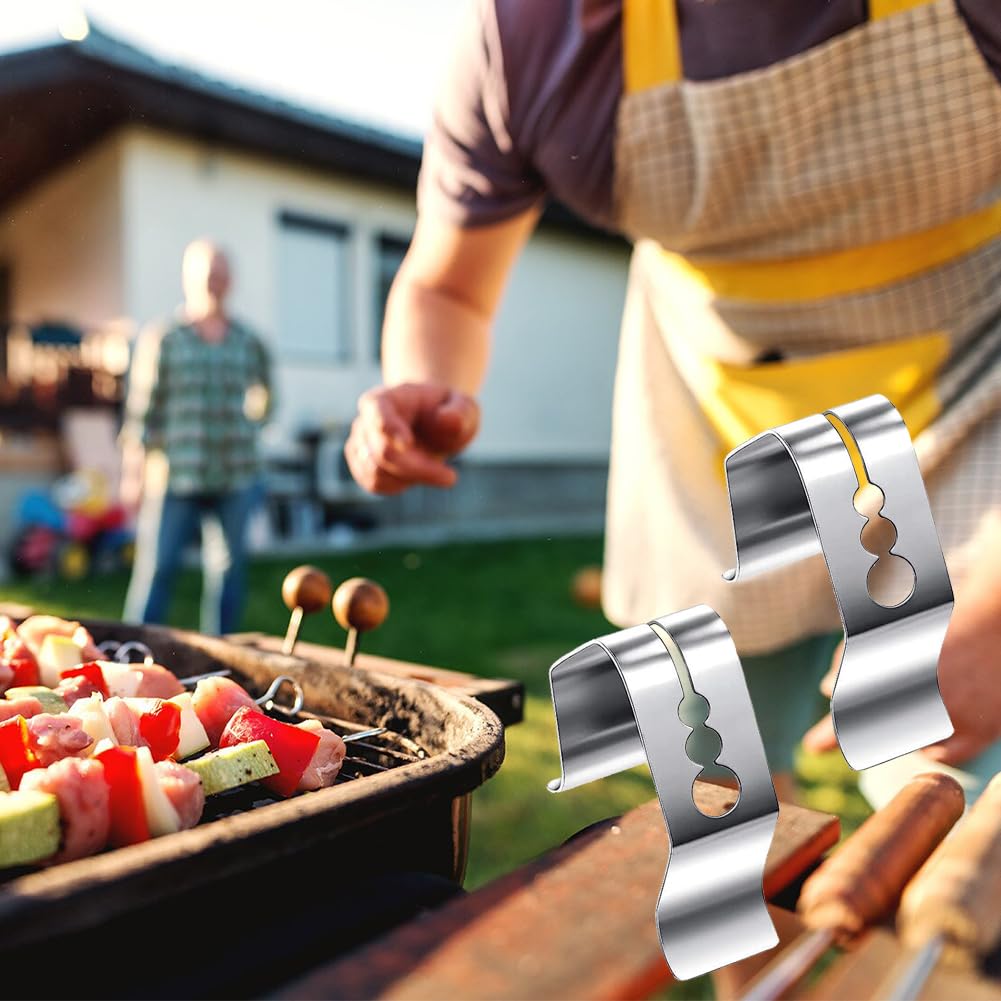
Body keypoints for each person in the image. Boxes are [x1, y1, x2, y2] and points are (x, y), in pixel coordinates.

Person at [346, 0, 1001, 801]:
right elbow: (447, 286)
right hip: (706, 440)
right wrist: (425, 379)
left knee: (958, 824)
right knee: (716, 813)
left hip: (970, 406)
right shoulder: (526, 39)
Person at [121, 240, 272, 635]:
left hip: (235, 476)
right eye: (206, 275)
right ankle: (132, 654)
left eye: (220, 275)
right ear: (188, 279)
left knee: (229, 572)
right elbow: (141, 411)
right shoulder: (164, 338)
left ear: (231, 281)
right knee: (157, 568)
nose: (213, 282)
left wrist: (251, 426)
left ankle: (220, 661)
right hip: (175, 475)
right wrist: (133, 474)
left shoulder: (248, 340)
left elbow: (267, 396)